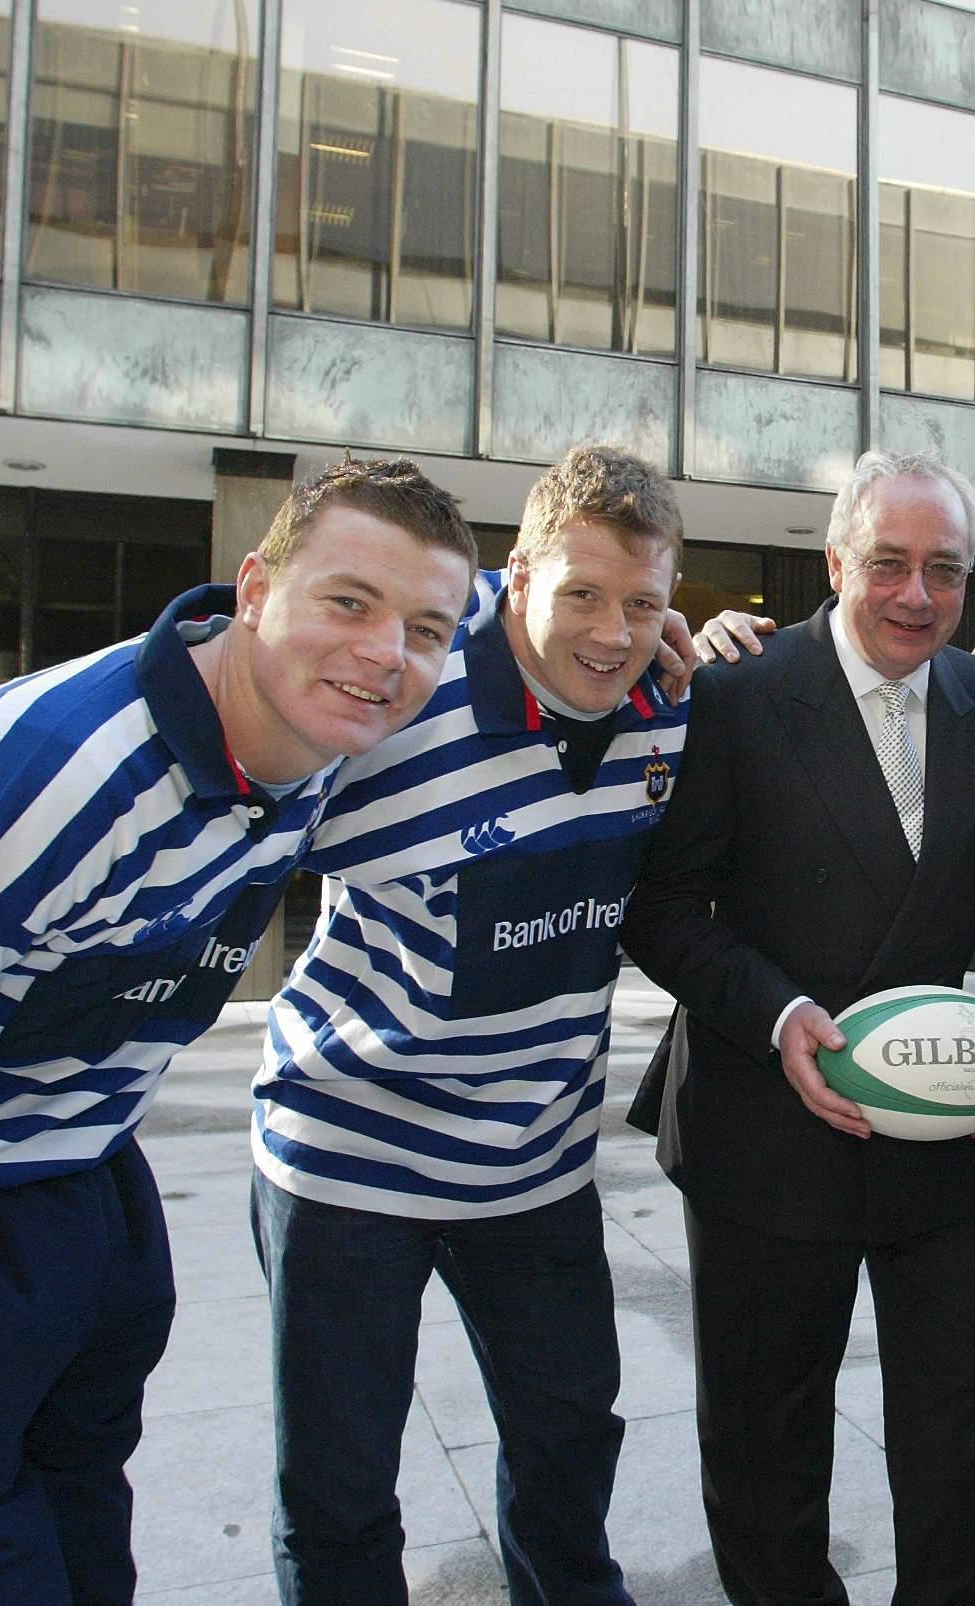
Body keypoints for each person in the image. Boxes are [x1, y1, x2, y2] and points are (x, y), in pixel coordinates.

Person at [0, 459, 477, 1605]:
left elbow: (535, 599)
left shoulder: (310, 744)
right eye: (348, 602)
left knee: (78, 1564)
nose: (386, 652)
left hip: (64, 1194)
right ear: (255, 588)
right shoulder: (61, 771)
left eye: (425, 629)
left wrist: (686, 625)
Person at [618, 449, 975, 1606]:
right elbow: (661, 911)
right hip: (768, 1127)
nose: (917, 595)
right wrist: (779, 1016)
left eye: (946, 571)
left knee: (964, 1445)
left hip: (953, 1136)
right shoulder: (737, 693)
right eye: (889, 564)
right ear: (835, 562)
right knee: (766, 1452)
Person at [249, 444, 687, 1606]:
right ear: (517, 576)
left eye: (643, 602)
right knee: (338, 1490)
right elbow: (216, 734)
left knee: (569, 1440)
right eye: (581, 593)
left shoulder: (673, 709)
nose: (612, 631)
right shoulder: (400, 690)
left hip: (535, 1170)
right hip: (348, 1165)